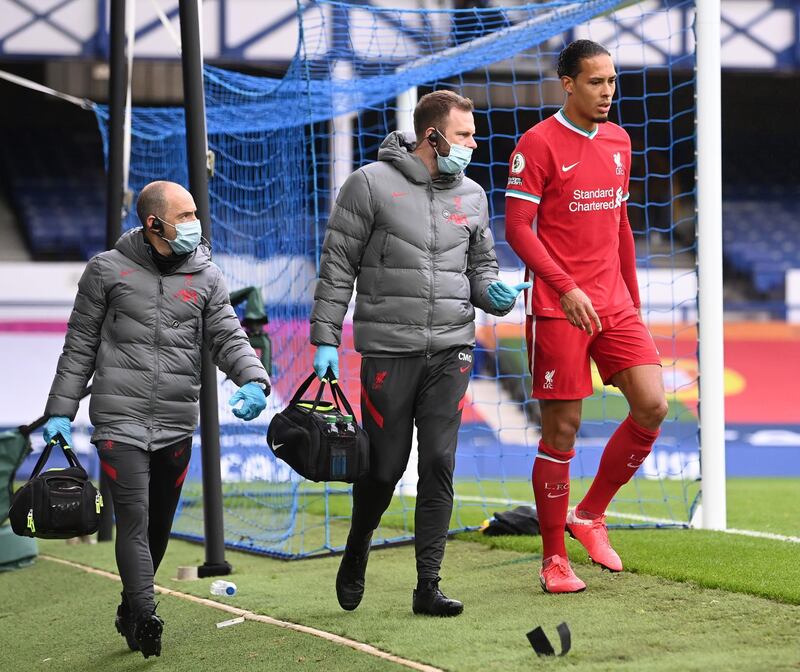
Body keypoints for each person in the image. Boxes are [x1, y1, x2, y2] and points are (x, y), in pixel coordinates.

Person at [310, 90, 528, 616]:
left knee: (438, 463)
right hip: (390, 351)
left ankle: (427, 585)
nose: (474, 145)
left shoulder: (474, 196)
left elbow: (480, 269)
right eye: (464, 135)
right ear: (432, 136)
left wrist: (492, 293)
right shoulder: (368, 184)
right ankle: (358, 547)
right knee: (384, 470)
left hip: (452, 349)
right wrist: (324, 339)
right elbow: (338, 265)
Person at [42, 181, 271, 657]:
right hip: (117, 423)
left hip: (175, 424)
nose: (195, 224)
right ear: (153, 224)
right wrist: (60, 411)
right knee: (134, 520)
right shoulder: (105, 271)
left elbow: (228, 337)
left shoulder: (207, 277)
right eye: (185, 215)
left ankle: (130, 606)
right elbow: (79, 346)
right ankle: (147, 618)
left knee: (159, 528)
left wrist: (252, 378)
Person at [504, 40, 668, 593]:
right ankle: (553, 560)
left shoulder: (620, 140)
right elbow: (518, 230)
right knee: (562, 430)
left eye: (613, 82)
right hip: (558, 305)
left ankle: (590, 513)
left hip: (614, 301)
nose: (607, 93)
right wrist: (566, 286)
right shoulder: (537, 144)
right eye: (596, 82)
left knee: (653, 404)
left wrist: (634, 303)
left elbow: (620, 224)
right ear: (568, 83)